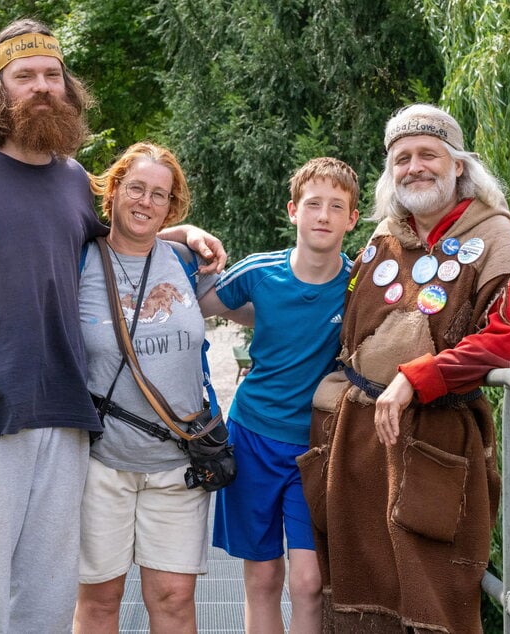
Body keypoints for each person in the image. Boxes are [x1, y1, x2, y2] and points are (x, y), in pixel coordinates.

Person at [0, 19, 224, 633]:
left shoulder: (71, 178)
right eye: (24, 77)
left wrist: (176, 232)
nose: (41, 86)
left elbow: (108, 245)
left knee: (45, 601)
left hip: (68, 416)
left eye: (51, 75)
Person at [297, 104, 510, 632]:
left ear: (458, 165)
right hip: (356, 441)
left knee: (433, 597)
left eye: (428, 154)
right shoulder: (385, 234)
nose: (415, 167)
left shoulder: (492, 232)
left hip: (435, 438)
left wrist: (419, 376)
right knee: (358, 597)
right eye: (401, 158)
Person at [202, 157, 360, 633]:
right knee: (264, 577)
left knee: (309, 582)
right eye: (313, 204)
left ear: (352, 219)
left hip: (315, 448)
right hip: (253, 439)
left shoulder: (357, 286)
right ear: (293, 210)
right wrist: (186, 238)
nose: (323, 215)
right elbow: (197, 304)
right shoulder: (258, 271)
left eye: (337, 206)